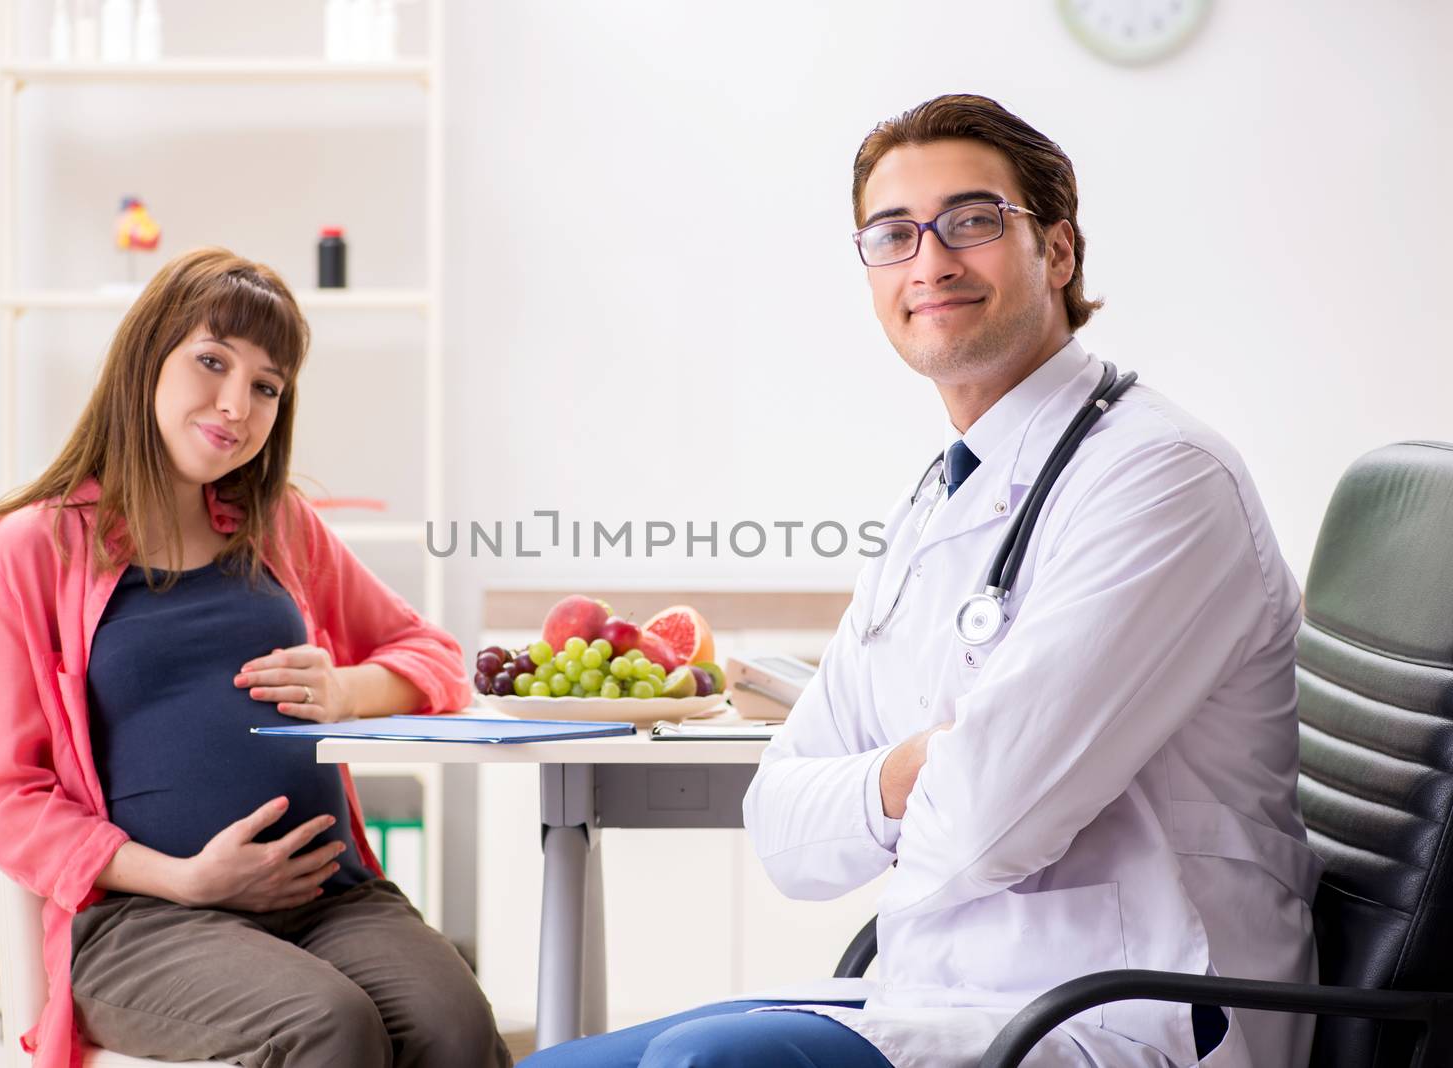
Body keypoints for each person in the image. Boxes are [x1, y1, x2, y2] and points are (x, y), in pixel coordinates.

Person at [522, 95, 1319, 1068]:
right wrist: (919, 769)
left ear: (1058, 253)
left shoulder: (1159, 477)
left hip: (1118, 1014)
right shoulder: (941, 499)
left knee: (709, 1065)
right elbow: (781, 833)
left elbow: (989, 828)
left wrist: (903, 788)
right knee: (552, 1065)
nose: (930, 261)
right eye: (893, 235)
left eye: (973, 222)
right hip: (930, 999)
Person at [0, 247, 511, 1068]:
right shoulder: (33, 547)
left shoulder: (278, 524)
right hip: (144, 922)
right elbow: (3, 795)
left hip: (336, 902)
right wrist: (187, 880)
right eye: (211, 362)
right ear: (149, 356)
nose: (236, 405)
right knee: (329, 1024)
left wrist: (348, 688)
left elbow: (431, 654)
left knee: (455, 1025)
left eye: (265, 386)